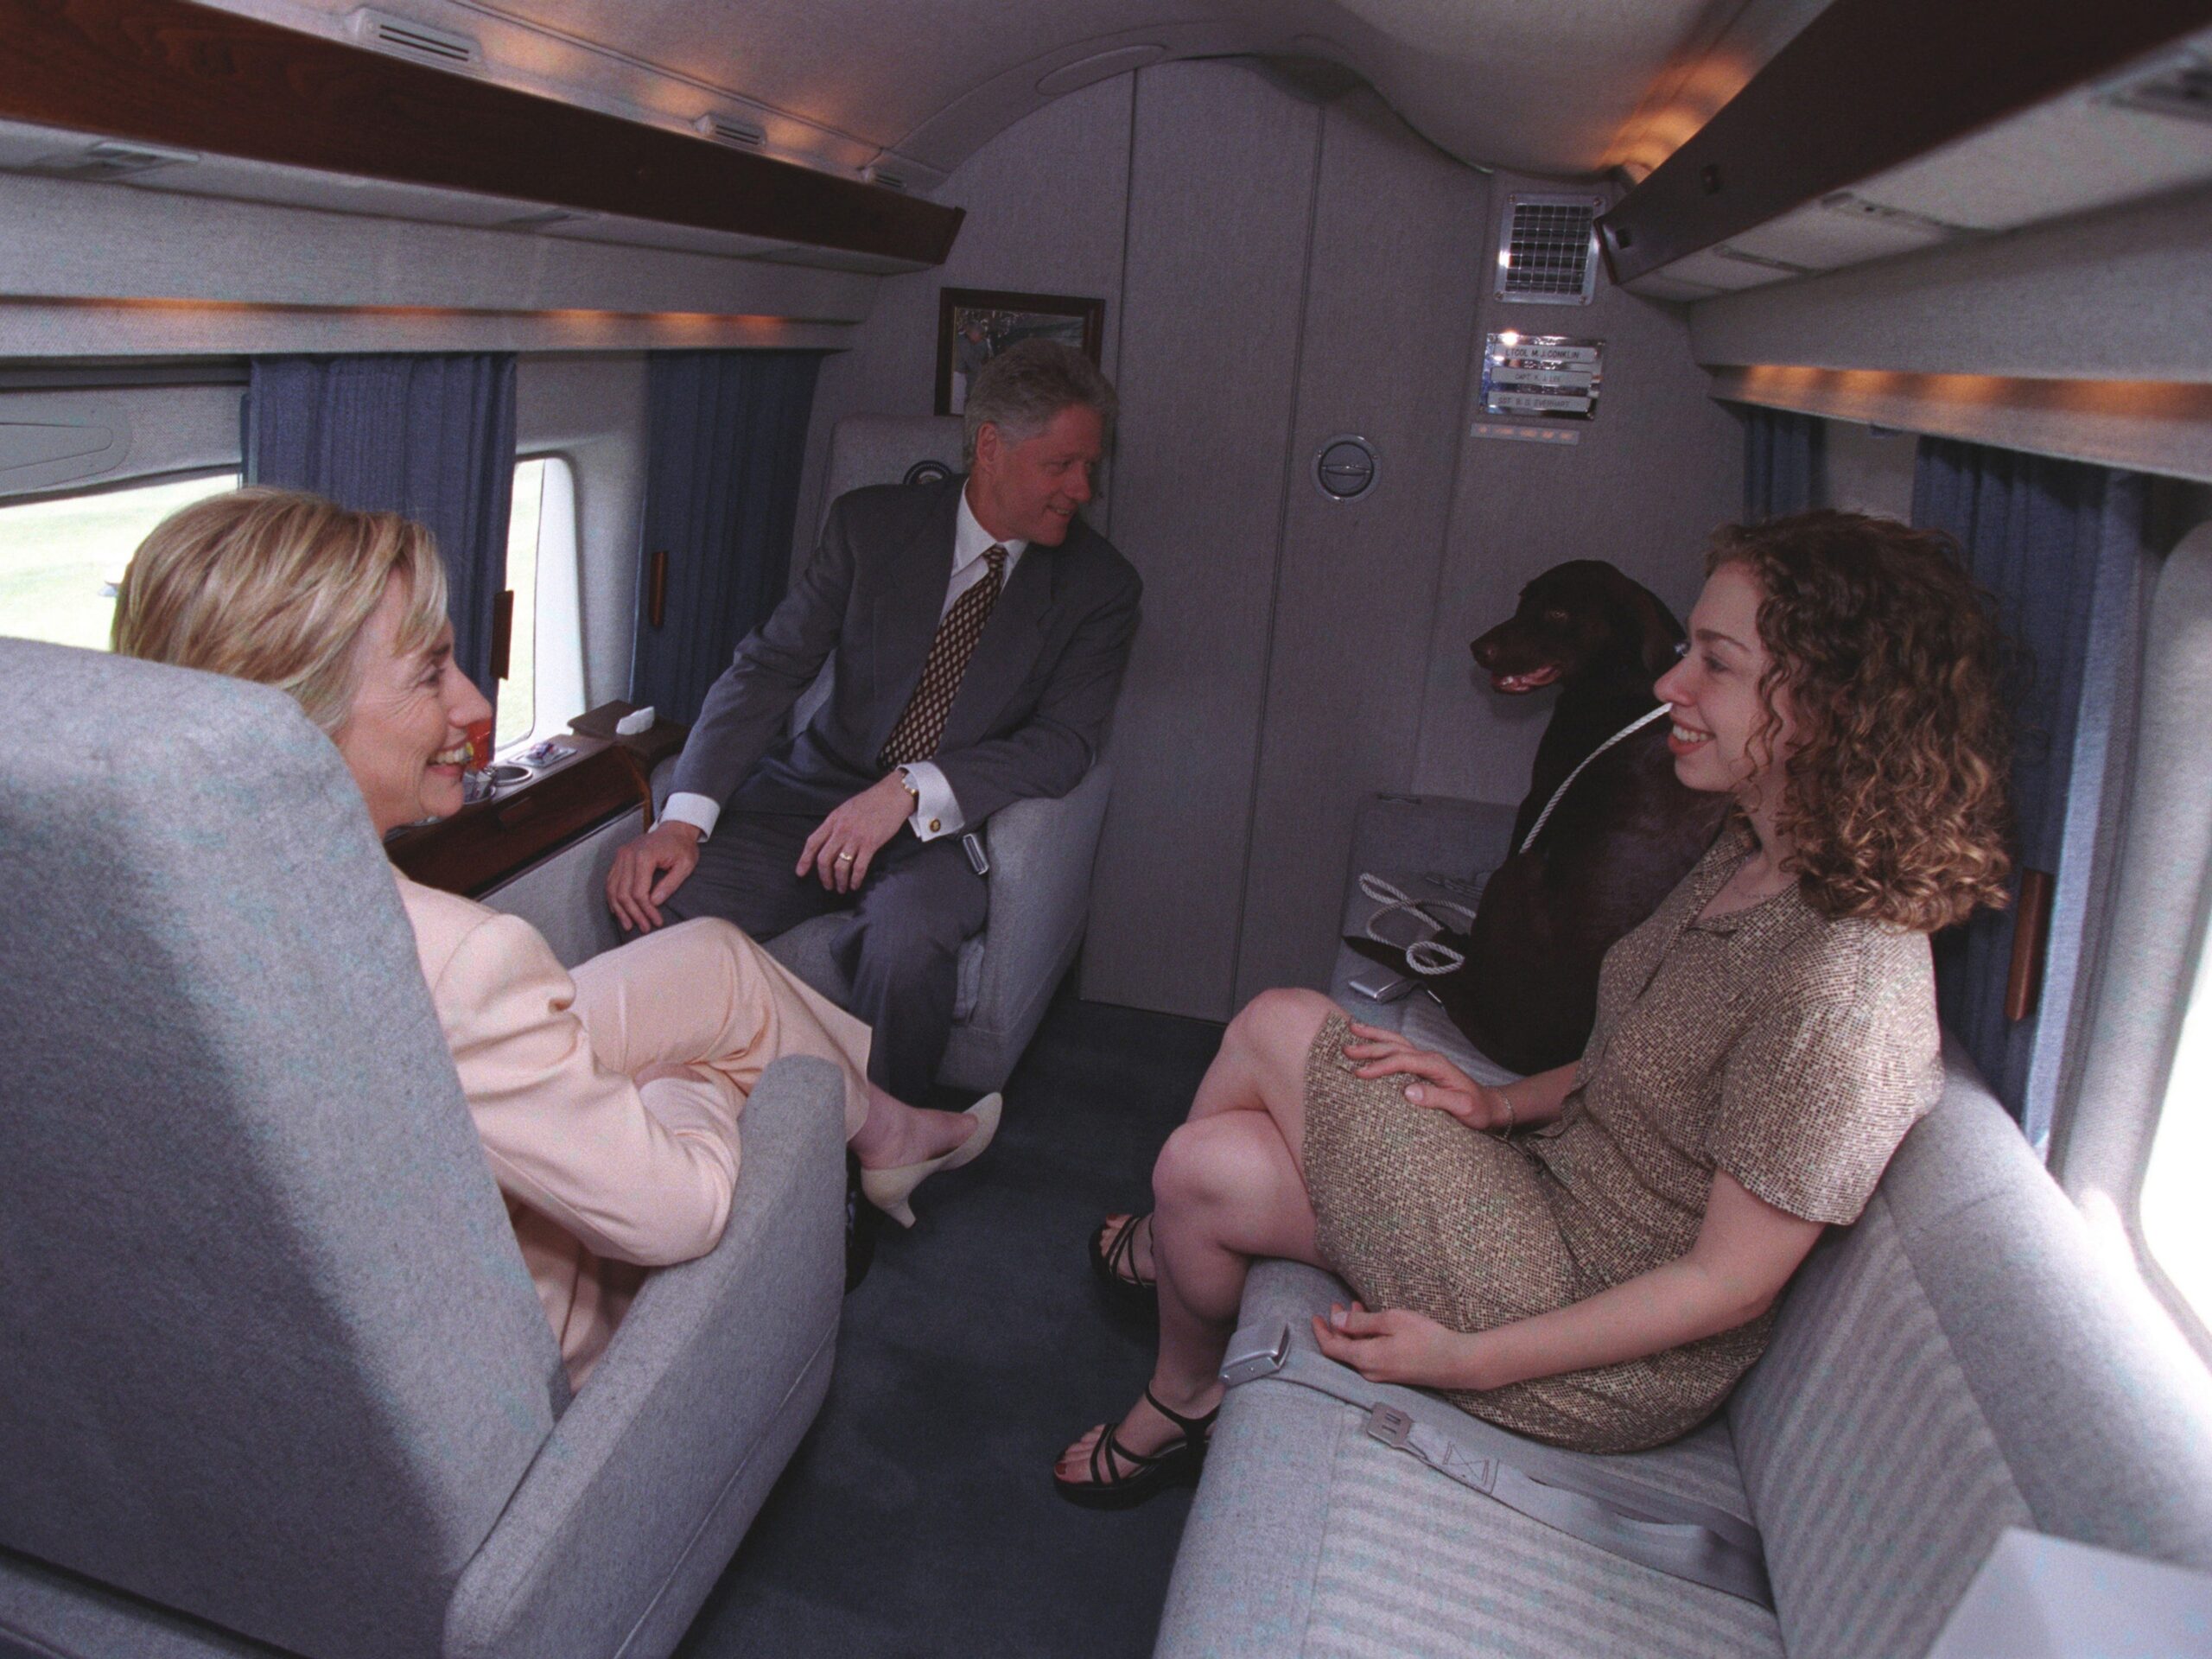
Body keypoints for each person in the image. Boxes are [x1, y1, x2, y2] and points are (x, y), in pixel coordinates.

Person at [1055, 510, 2012, 1503]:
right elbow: (1642, 1050)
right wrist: (1498, 1104)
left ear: (1834, 704)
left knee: (1275, 1024)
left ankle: (1170, 1369)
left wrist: (1464, 1358)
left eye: (1716, 666)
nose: (1668, 687)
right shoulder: (1754, 852)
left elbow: (1727, 1284)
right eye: (1687, 651)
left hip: (1583, 1334)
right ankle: (1186, 1395)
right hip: (1548, 1201)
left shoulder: (1844, 990)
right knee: (1200, 1171)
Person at [111, 488, 996, 1389]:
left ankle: (886, 1134)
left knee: (714, 960)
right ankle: (865, 1134)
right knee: (715, 1054)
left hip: (389, 1175)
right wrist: (680, 1081)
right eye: (429, 674)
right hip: (507, 1328)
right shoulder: (460, 957)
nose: (470, 704)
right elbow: (681, 1214)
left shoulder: (130, 912)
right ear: (287, 723)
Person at [606, 340, 1141, 1103]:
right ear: (991, 447)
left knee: (908, 940)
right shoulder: (870, 527)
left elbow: (1065, 745)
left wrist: (910, 791)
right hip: (805, 798)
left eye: (1091, 467)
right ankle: (690, 1116)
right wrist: (682, 822)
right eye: (1062, 466)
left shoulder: (1102, 587)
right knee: (650, 896)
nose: (1082, 489)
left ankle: (875, 1165)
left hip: (942, 837)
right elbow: (769, 669)